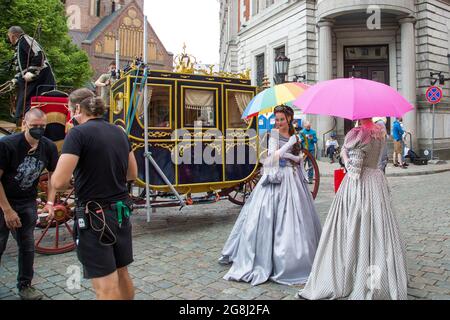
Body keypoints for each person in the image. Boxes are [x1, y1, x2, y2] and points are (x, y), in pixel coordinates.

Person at [296, 118, 408, 300]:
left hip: (360, 186)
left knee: (352, 227)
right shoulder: (379, 131)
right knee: (378, 231)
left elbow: (354, 171)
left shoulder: (359, 134)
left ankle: (351, 275)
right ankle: (378, 276)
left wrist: (345, 155)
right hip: (376, 183)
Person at [218, 105, 322, 286]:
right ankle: (269, 259)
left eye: (282, 119)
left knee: (298, 218)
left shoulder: (296, 136)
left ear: (289, 118)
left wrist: (298, 158)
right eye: (277, 119)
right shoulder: (274, 135)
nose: (279, 122)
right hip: (277, 178)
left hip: (293, 179)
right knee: (269, 217)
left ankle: (299, 258)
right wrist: (288, 147)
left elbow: (296, 159)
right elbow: (272, 157)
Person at [51, 89, 138, 300]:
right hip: (120, 213)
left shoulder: (78, 134)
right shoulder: (119, 132)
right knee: (122, 271)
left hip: (95, 216)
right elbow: (132, 173)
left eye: (70, 109)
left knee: (105, 285)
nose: (70, 112)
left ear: (78, 108)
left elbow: (59, 182)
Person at [0, 108, 57, 300]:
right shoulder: (7, 145)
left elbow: (52, 176)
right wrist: (7, 210)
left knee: (27, 245)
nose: (38, 130)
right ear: (24, 124)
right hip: (3, 201)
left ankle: (25, 285)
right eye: (34, 127)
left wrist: (49, 202)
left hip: (27, 201)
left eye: (42, 127)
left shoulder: (48, 147)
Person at [7, 26, 56, 124]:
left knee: (26, 105)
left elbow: (38, 54)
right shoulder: (20, 44)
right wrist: (16, 79)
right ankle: (23, 127)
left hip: (40, 79)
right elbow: (23, 67)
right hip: (29, 80)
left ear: (12, 36)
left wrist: (32, 72)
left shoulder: (25, 39)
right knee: (22, 106)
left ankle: (27, 126)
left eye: (9, 36)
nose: (9, 39)